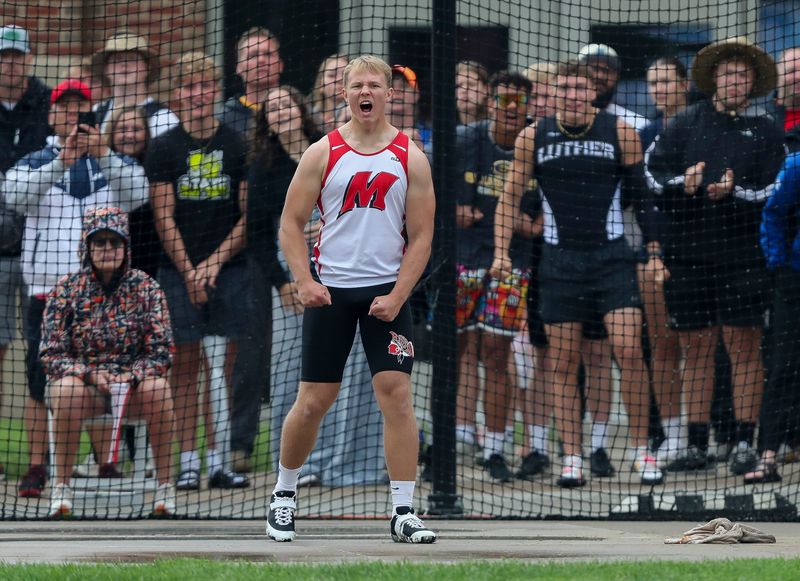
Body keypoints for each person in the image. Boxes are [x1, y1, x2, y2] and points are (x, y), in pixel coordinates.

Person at [267, 54, 436, 543]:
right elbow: (290, 224)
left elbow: (423, 235)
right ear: (343, 94)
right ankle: (283, 495)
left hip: (387, 295)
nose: (367, 93)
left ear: (389, 94)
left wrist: (398, 294)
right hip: (332, 294)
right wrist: (305, 281)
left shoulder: (410, 156)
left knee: (397, 396)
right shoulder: (323, 152)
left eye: (375, 85)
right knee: (314, 399)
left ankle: (403, 511)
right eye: (357, 85)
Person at [492, 60, 667, 487]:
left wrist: (655, 250)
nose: (571, 94)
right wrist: (500, 254)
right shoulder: (534, 135)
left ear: (592, 93)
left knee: (627, 349)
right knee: (563, 360)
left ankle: (643, 451)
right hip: (558, 261)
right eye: (564, 87)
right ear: (553, 92)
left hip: (611, 258)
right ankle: (572, 457)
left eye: (578, 88)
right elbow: (509, 198)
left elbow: (642, 197)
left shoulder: (619, 131)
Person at [644, 37, 785, 475]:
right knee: (695, 347)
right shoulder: (685, 122)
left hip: (744, 255)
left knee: (744, 348)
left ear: (753, 82)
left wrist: (734, 191)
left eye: (743, 75)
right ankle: (697, 443)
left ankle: (744, 442)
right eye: (727, 73)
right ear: (713, 79)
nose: (734, 80)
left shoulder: (765, 129)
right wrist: (682, 183)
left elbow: (773, 189)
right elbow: (652, 175)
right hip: (688, 254)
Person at [3, 78, 149, 497]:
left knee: (106, 372)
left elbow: (138, 195)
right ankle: (37, 465)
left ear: (90, 114)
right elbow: (12, 196)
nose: (72, 116)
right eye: (64, 109)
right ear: (52, 115)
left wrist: (101, 153)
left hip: (104, 293)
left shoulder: (113, 161)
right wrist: (60, 162)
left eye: (79, 109)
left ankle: (106, 463)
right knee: (38, 379)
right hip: (48, 294)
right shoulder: (36, 159)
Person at [146, 51, 251, 491]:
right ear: (177, 95)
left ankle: (219, 460)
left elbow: (247, 216)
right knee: (184, 367)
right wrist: (189, 270)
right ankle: (187, 461)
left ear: (215, 90)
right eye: (189, 87)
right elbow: (162, 215)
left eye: (205, 85)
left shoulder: (238, 142)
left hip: (230, 267)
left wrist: (212, 264)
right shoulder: (164, 146)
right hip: (176, 270)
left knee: (224, 367)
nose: (198, 94)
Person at [41, 207, 176, 518]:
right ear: (87, 248)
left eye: (114, 243)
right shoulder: (66, 289)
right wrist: (90, 375)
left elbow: (161, 351)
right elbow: (51, 353)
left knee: (159, 389)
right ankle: (61, 489)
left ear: (126, 247)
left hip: (134, 389)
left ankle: (165, 489)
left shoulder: (147, 288)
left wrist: (129, 377)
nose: (107, 250)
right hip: (85, 389)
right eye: (99, 243)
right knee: (65, 391)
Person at [454, 71, 533, 483]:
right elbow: (427, 198)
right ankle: (453, 440)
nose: (511, 110)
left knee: (496, 353)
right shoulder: (464, 140)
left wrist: (526, 224)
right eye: (504, 101)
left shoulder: (535, 146)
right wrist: (455, 212)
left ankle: (496, 447)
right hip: (462, 259)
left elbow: (540, 222)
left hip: (512, 263)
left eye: (519, 103)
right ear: (490, 102)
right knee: (456, 349)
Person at [0, 25, 51, 481]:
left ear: (29, 58)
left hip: (41, 250)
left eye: (16, 56)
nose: (9, 63)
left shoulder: (48, 102)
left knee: (43, 353)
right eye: (3, 57)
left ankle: (44, 460)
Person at [640, 57, 690, 467]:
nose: (659, 88)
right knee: (663, 344)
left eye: (666, 81)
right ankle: (671, 436)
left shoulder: (703, 125)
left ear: (685, 84)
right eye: (653, 82)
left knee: (705, 345)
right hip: (655, 252)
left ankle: (705, 436)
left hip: (705, 252)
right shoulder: (644, 134)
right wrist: (653, 248)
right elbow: (643, 201)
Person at [749, 150, 800, 484]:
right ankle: (767, 456)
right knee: (782, 365)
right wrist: (779, 264)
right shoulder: (796, 164)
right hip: (794, 280)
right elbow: (773, 213)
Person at [91, 31, 178, 138]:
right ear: (106, 69)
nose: (125, 64)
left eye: (132, 58)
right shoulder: (95, 113)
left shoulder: (163, 117)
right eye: (117, 59)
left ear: (147, 68)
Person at [219, 27, 283, 141]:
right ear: (239, 68)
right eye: (253, 56)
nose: (261, 60)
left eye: (268, 54)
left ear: (280, 65)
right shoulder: (223, 120)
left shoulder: (300, 112)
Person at [308, 54, 349, 134]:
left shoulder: (360, 114)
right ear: (320, 84)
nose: (340, 79)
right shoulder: (309, 118)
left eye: (346, 75)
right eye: (332, 75)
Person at [456, 60, 490, 126]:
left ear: (486, 89)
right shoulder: (443, 128)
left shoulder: (495, 128)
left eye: (471, 84)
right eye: (458, 86)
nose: (464, 89)